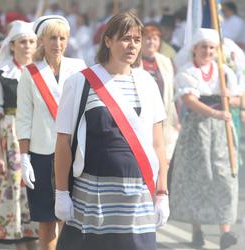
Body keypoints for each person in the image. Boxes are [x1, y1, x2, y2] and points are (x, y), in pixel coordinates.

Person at [54, 12, 169, 250]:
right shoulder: (79, 82)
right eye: (125, 38)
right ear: (108, 41)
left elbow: (158, 144)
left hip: (138, 194)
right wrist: (61, 192)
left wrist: (162, 193)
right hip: (92, 195)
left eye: (137, 40)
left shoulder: (147, 83)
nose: (133, 45)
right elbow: (63, 141)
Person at [16, 15, 86, 250]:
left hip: (73, 153)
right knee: (46, 220)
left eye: (62, 38)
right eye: (53, 38)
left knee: (70, 218)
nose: (58, 43)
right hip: (41, 155)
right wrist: (24, 158)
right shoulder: (30, 73)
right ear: (42, 40)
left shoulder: (79, 68)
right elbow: (24, 118)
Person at [169, 28, 240, 249]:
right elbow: (189, 100)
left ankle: (225, 231)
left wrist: (230, 99)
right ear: (195, 49)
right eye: (203, 47)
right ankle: (197, 229)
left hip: (222, 131)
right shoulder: (187, 72)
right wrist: (215, 112)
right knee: (198, 178)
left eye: (211, 48)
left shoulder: (225, 72)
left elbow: (240, 99)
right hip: (196, 131)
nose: (207, 51)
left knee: (225, 178)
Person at [0, 21, 39, 249]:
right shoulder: (1, 72)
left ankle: (38, 241)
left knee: (37, 189)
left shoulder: (43, 71)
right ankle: (20, 242)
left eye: (31, 42)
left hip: (39, 135)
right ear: (12, 45)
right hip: (12, 137)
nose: (27, 46)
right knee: (15, 189)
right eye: (22, 42)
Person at [141, 22, 179, 162]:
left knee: (163, 155)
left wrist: (177, 118)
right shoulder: (133, 61)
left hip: (163, 114)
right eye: (148, 38)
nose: (151, 42)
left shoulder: (166, 62)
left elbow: (173, 91)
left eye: (155, 38)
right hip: (141, 114)